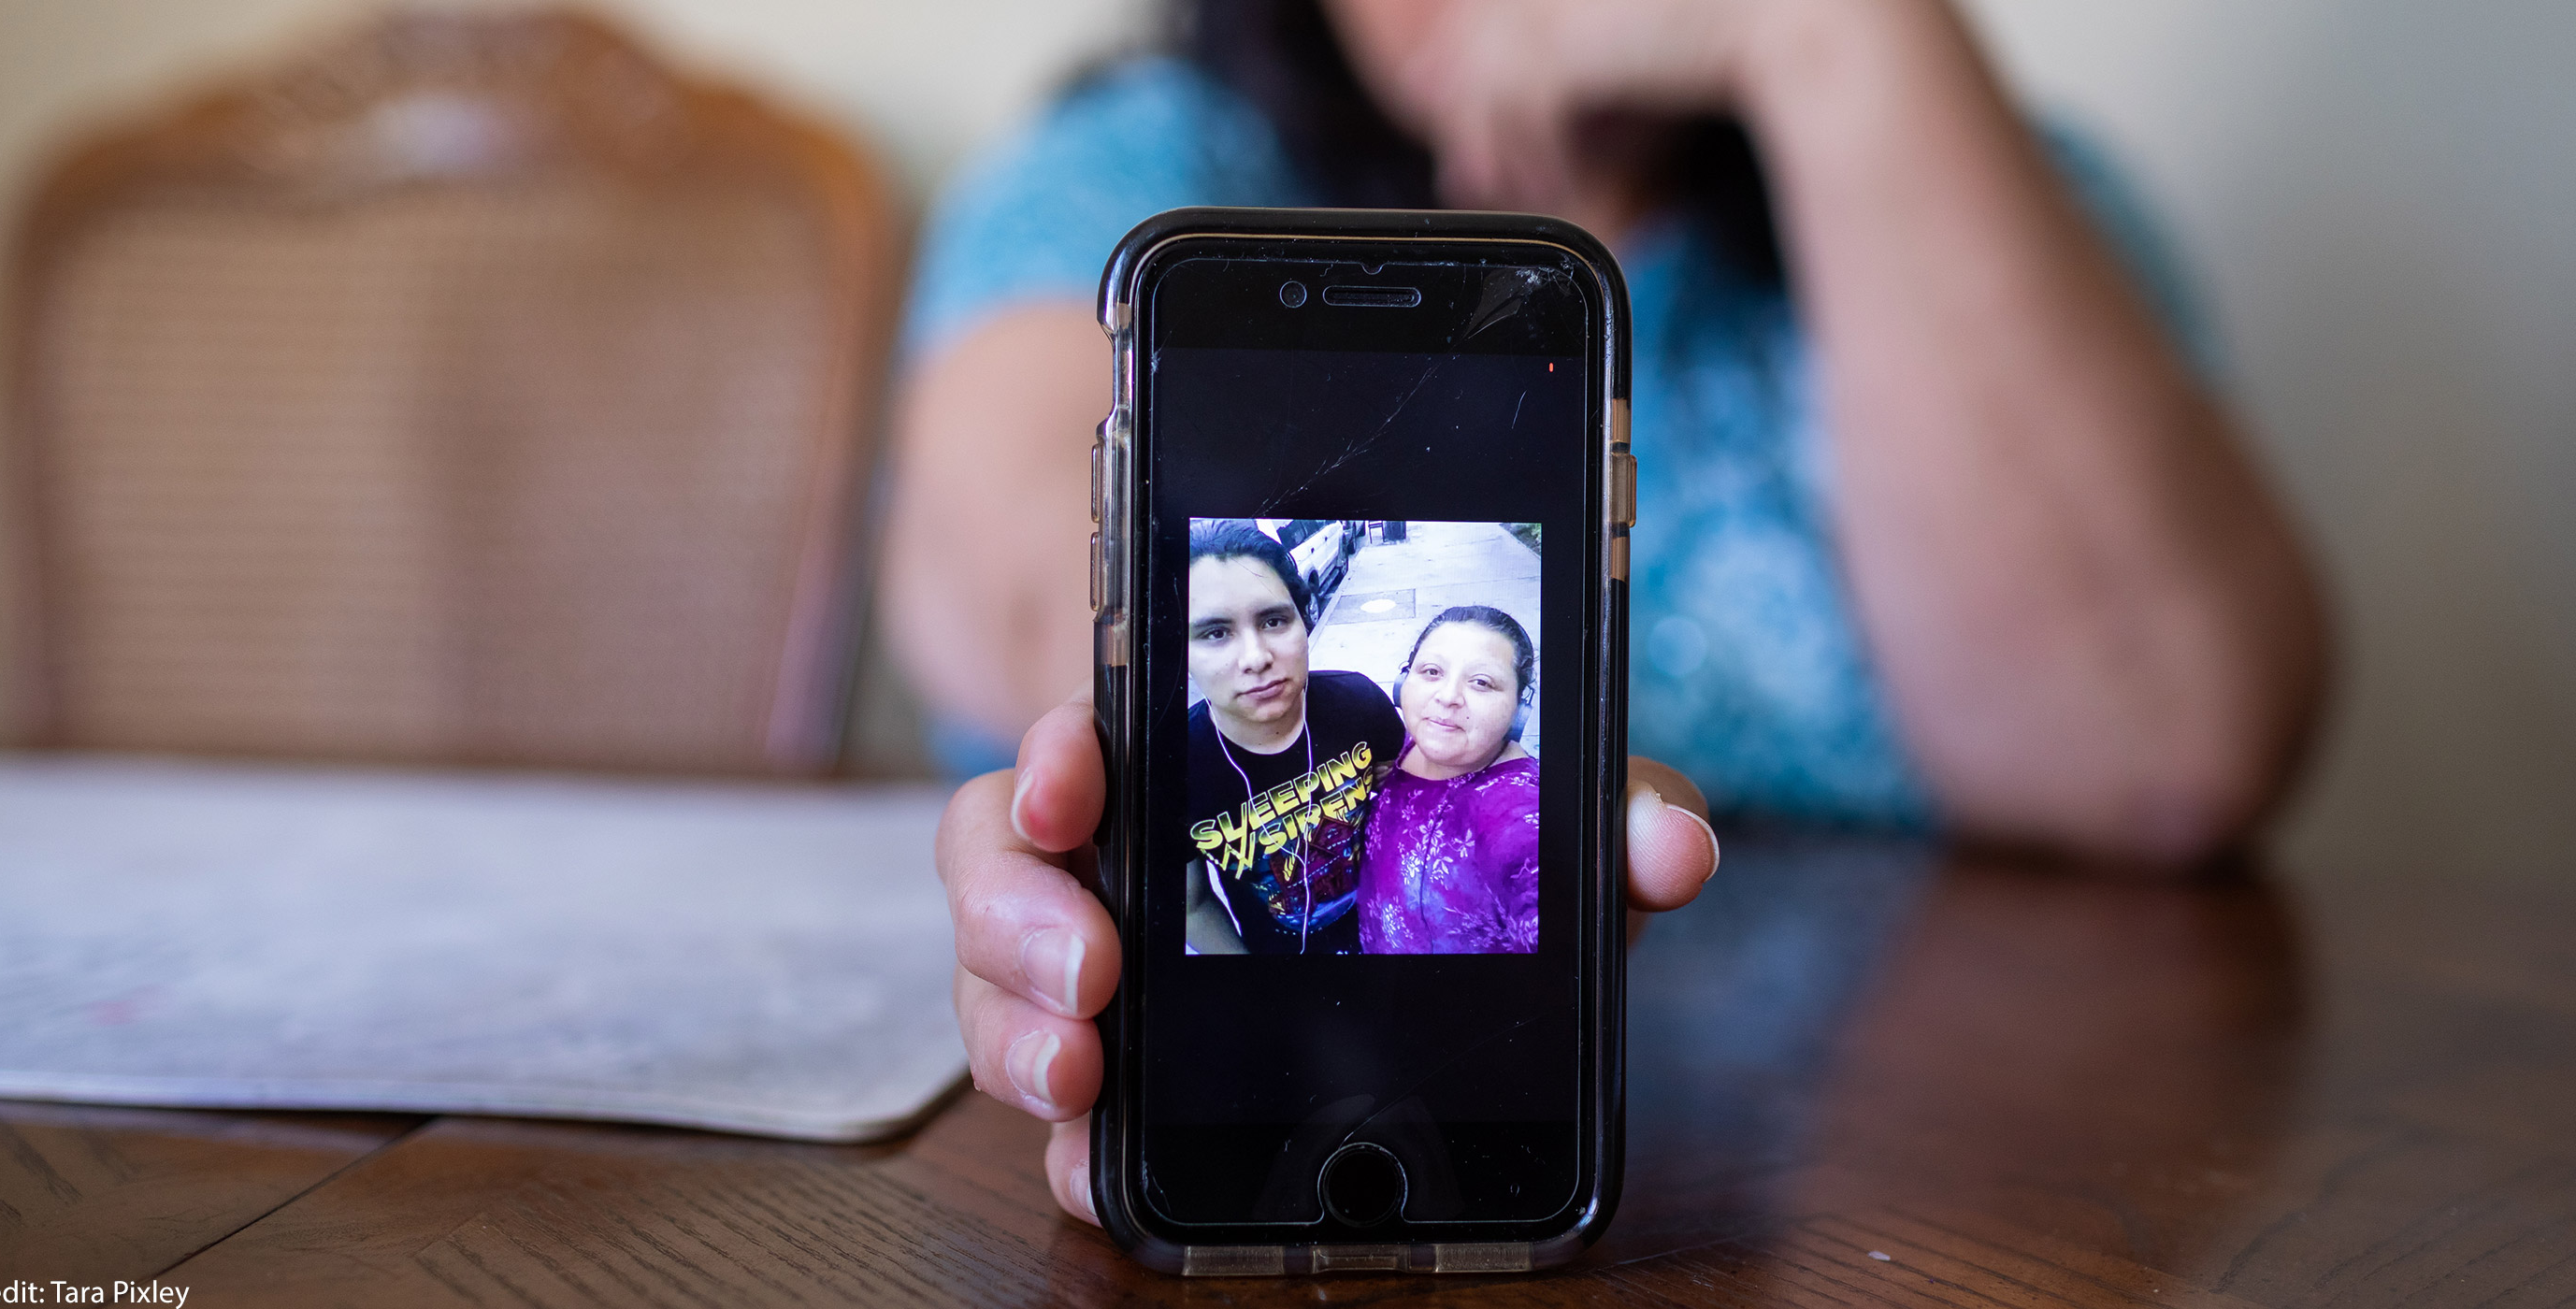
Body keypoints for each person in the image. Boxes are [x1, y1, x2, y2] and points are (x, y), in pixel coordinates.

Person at [915, 0, 2329, 1226]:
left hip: (1946, 1148)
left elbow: (2169, 742)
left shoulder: (1986, 176)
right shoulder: (1150, 165)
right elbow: (1033, 594)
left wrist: (1831, 38)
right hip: (1274, 1071)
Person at [1182, 519, 1405, 954]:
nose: (1256, 657)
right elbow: (1192, 906)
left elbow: (1419, 806)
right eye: (1215, 633)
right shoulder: (1173, 767)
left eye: (1273, 621)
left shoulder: (1360, 703)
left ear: (1303, 622)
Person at [1359, 607, 1542, 955]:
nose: (1447, 696)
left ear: (1520, 710)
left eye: (1481, 682)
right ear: (1402, 684)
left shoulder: (1513, 806)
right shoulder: (1409, 746)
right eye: (1431, 671)